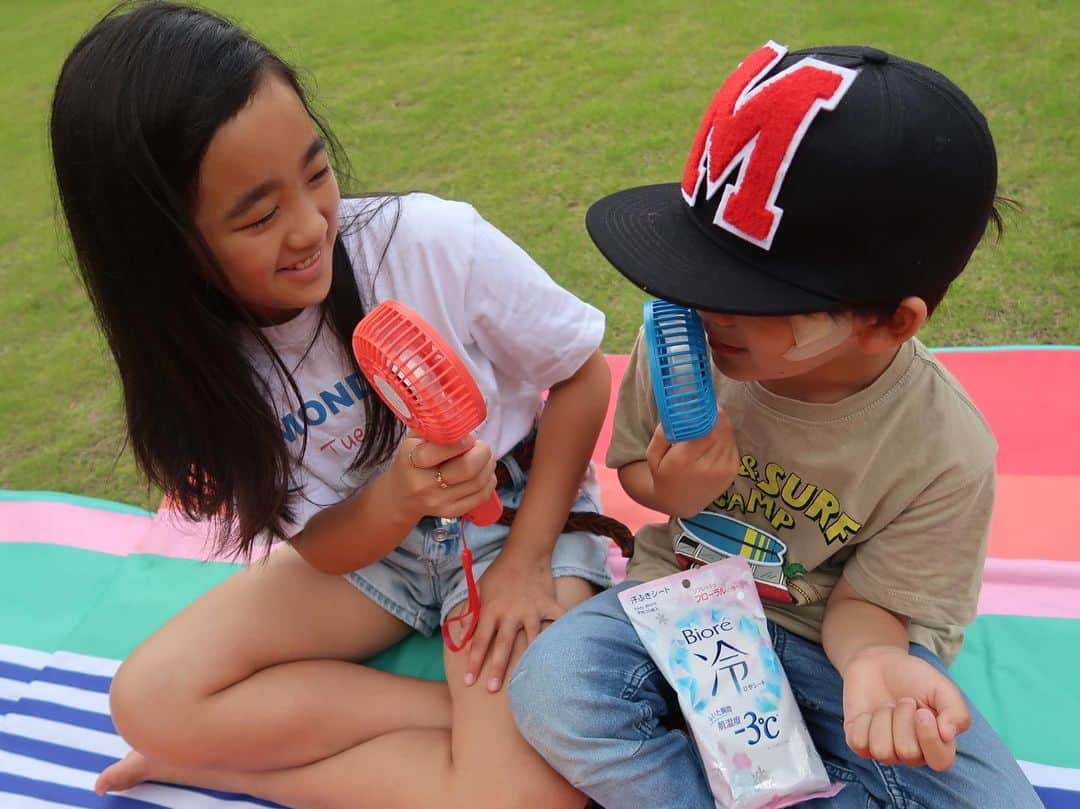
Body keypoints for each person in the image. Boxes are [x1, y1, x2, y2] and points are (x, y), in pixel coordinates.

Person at [51, 2, 614, 806]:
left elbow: (583, 373)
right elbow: (323, 545)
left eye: (316, 172)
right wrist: (398, 497)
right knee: (148, 700)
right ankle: (469, 726)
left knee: (520, 800)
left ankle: (247, 765)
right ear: (164, 244)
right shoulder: (203, 369)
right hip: (370, 547)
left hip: (513, 521)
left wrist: (526, 562)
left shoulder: (427, 244)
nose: (312, 224)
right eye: (258, 214)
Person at [509, 41, 1042, 808]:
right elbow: (634, 470)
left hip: (830, 641)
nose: (697, 303)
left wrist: (874, 665)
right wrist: (668, 487)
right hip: (683, 600)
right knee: (555, 685)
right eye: (694, 269)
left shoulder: (943, 449)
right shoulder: (684, 341)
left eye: (747, 294)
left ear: (891, 321)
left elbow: (870, 605)